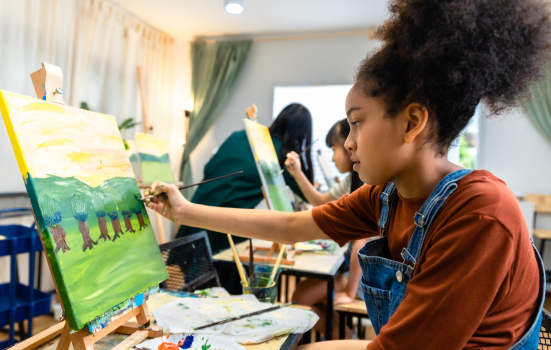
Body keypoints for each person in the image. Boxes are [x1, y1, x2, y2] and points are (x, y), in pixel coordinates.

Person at [145, 0, 551, 348]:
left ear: (412, 122)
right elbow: (290, 225)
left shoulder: (480, 213)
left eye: (357, 123)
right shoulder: (388, 197)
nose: (349, 142)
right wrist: (184, 211)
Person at [176, 103, 314, 293]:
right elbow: (310, 195)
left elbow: (208, 167)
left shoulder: (239, 137)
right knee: (220, 298)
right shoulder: (280, 155)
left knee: (184, 291)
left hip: (192, 215)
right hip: (222, 232)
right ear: (302, 134)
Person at [286, 118, 366, 338]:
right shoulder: (351, 180)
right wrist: (297, 173)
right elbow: (321, 202)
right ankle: (348, 337)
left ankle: (350, 340)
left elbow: (361, 242)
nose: (332, 156)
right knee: (302, 294)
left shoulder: (365, 183)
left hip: (363, 276)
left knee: (300, 298)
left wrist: (350, 292)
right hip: (355, 269)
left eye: (333, 148)